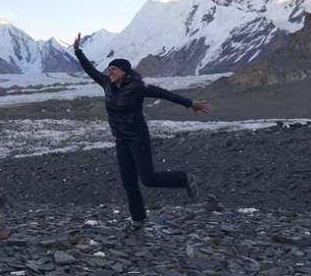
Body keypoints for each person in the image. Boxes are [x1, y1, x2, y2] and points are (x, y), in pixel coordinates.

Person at [73, 33, 210, 228]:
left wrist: (190, 103)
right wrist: (78, 51)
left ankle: (185, 179)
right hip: (121, 140)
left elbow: (163, 93)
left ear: (124, 72)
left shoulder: (137, 87)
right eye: (109, 69)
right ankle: (138, 218)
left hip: (138, 138)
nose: (110, 72)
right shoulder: (107, 85)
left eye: (114, 69)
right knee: (128, 182)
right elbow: (90, 70)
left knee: (148, 179)